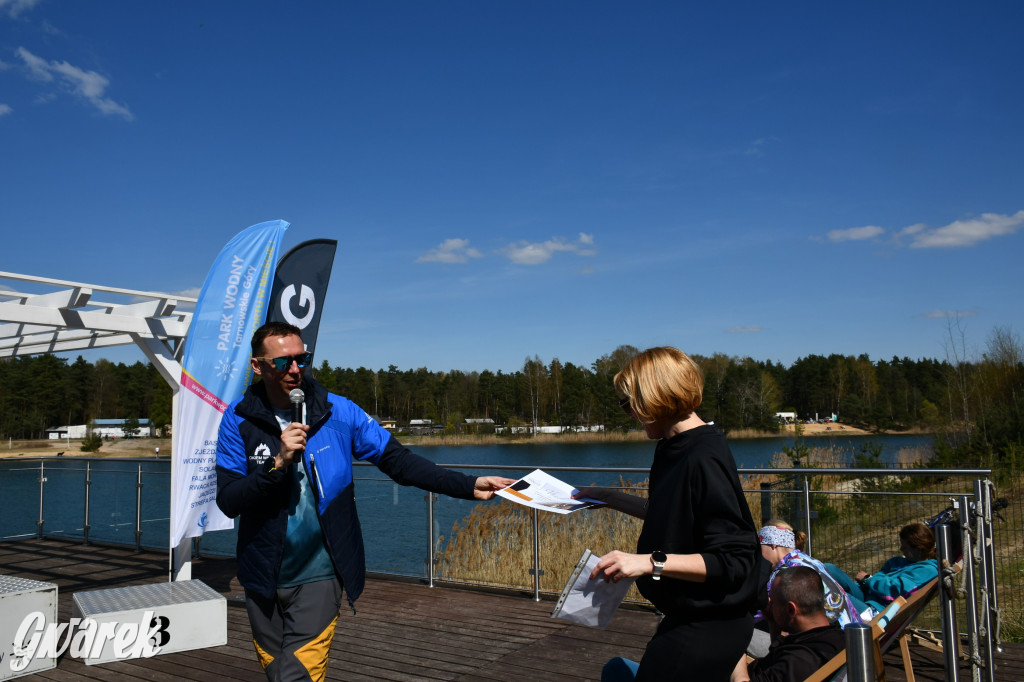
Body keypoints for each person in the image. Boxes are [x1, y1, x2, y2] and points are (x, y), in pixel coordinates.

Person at [215, 321, 515, 681]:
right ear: (258, 366)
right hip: (261, 576)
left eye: (302, 359)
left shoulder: (338, 412)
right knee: (277, 673)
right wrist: (277, 464)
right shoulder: (237, 420)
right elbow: (229, 500)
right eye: (283, 363)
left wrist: (467, 484)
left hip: (320, 573)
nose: (295, 370)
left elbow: (399, 462)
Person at [578, 347, 766, 681]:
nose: (629, 415)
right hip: (685, 616)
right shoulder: (673, 447)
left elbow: (735, 559)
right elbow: (675, 515)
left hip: (708, 625)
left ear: (656, 396)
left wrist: (648, 562)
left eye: (629, 403)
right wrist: (608, 497)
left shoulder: (703, 455)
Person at [749, 521, 862, 658]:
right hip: (851, 643)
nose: (756, 555)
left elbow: (755, 613)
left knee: (734, 633)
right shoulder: (808, 561)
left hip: (819, 653)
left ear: (773, 544)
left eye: (758, 548)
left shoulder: (786, 574)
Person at [731, 566, 846, 682]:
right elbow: (777, 657)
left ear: (791, 610)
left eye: (773, 602)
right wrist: (773, 622)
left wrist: (736, 649)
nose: (769, 606)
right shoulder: (834, 637)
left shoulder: (799, 662)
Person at [823, 522, 938, 616]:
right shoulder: (898, 562)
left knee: (830, 594)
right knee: (828, 568)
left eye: (905, 546)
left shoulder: (927, 570)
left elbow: (895, 591)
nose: (901, 548)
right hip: (868, 597)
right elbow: (881, 579)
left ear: (919, 549)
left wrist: (868, 579)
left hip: (879, 611)